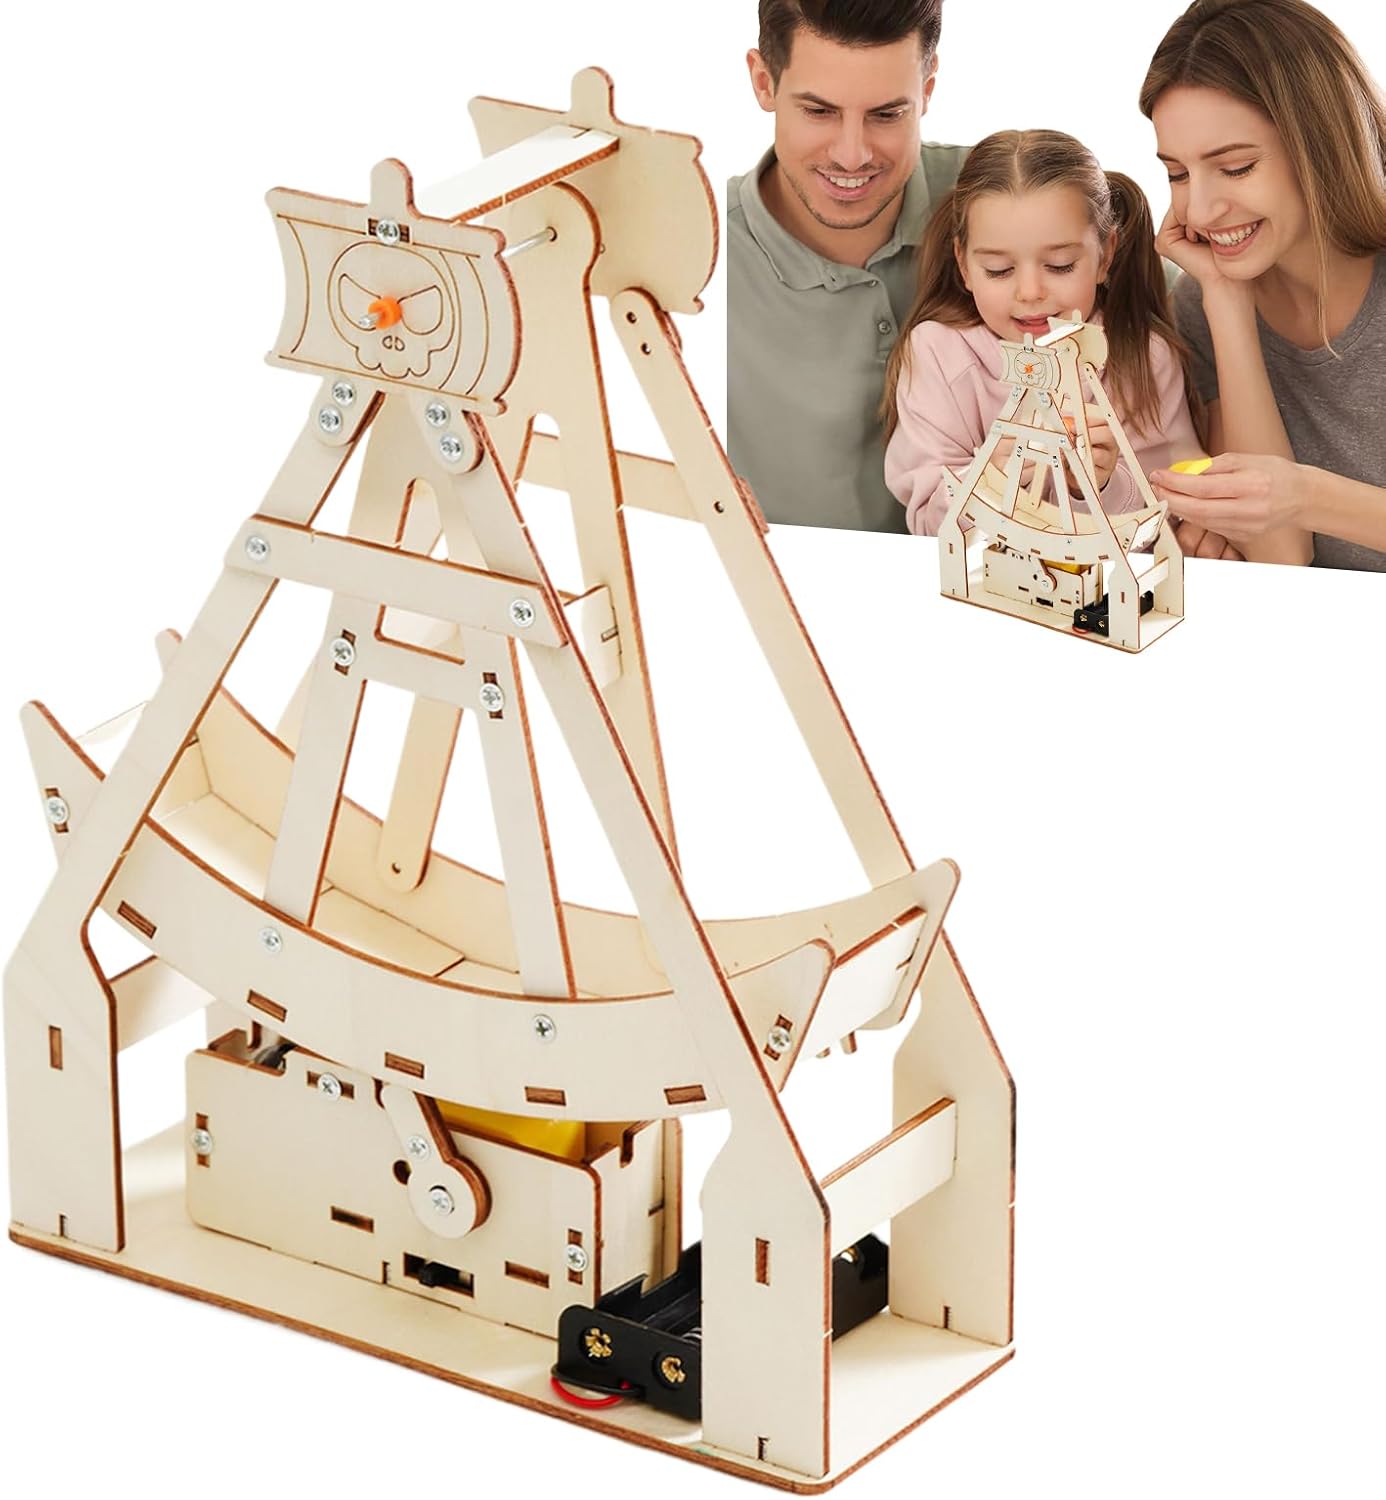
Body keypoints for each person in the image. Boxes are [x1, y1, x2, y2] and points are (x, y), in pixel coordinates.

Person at [1140, 0, 1386, 570]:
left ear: (1322, 146)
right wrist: (1226, 301)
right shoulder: (1201, 302)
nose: (1200, 210)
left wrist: (1306, 495)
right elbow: (1278, 554)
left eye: (1236, 168)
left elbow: (1285, 507)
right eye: (1177, 173)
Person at [883, 131, 1202, 535]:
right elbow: (929, 523)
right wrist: (990, 481)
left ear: (1105, 255)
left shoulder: (1144, 356)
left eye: (1060, 265)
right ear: (963, 264)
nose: (1031, 292)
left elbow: (1170, 512)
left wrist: (1099, 485)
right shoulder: (937, 352)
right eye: (999, 270)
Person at [727, 0, 965, 533]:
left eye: (887, 114)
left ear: (927, 89)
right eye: (819, 111)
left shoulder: (1008, 195)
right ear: (764, 83)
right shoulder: (700, 251)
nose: (852, 156)